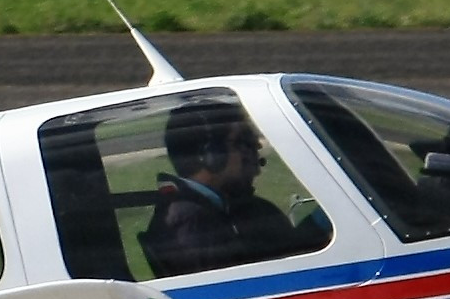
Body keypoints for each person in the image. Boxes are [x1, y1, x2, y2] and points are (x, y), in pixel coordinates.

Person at [139, 102, 331, 278]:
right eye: (244, 141)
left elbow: (289, 252)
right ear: (211, 155)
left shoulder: (226, 211)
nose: (256, 147)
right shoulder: (191, 222)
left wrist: (328, 217)